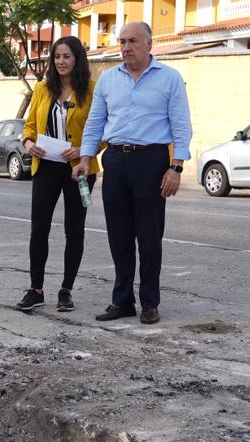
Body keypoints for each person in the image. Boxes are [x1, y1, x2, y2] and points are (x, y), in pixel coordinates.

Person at [74, 21, 192, 325]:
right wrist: (86, 157)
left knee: (149, 237)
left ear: (149, 44)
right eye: (122, 41)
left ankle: (150, 302)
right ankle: (122, 301)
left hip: (151, 162)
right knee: (119, 236)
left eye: (133, 41)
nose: (126, 47)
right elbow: (95, 123)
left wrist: (176, 167)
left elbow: (181, 126)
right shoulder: (108, 80)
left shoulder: (170, 79)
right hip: (114, 160)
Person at [16, 36, 100, 313]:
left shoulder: (91, 90)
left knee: (74, 231)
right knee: (38, 228)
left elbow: (104, 132)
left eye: (66, 57)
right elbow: (28, 128)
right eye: (57, 57)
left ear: (77, 59)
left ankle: (66, 290)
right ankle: (36, 289)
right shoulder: (42, 89)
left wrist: (83, 150)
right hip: (46, 166)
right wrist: (29, 145)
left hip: (80, 169)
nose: (61, 62)